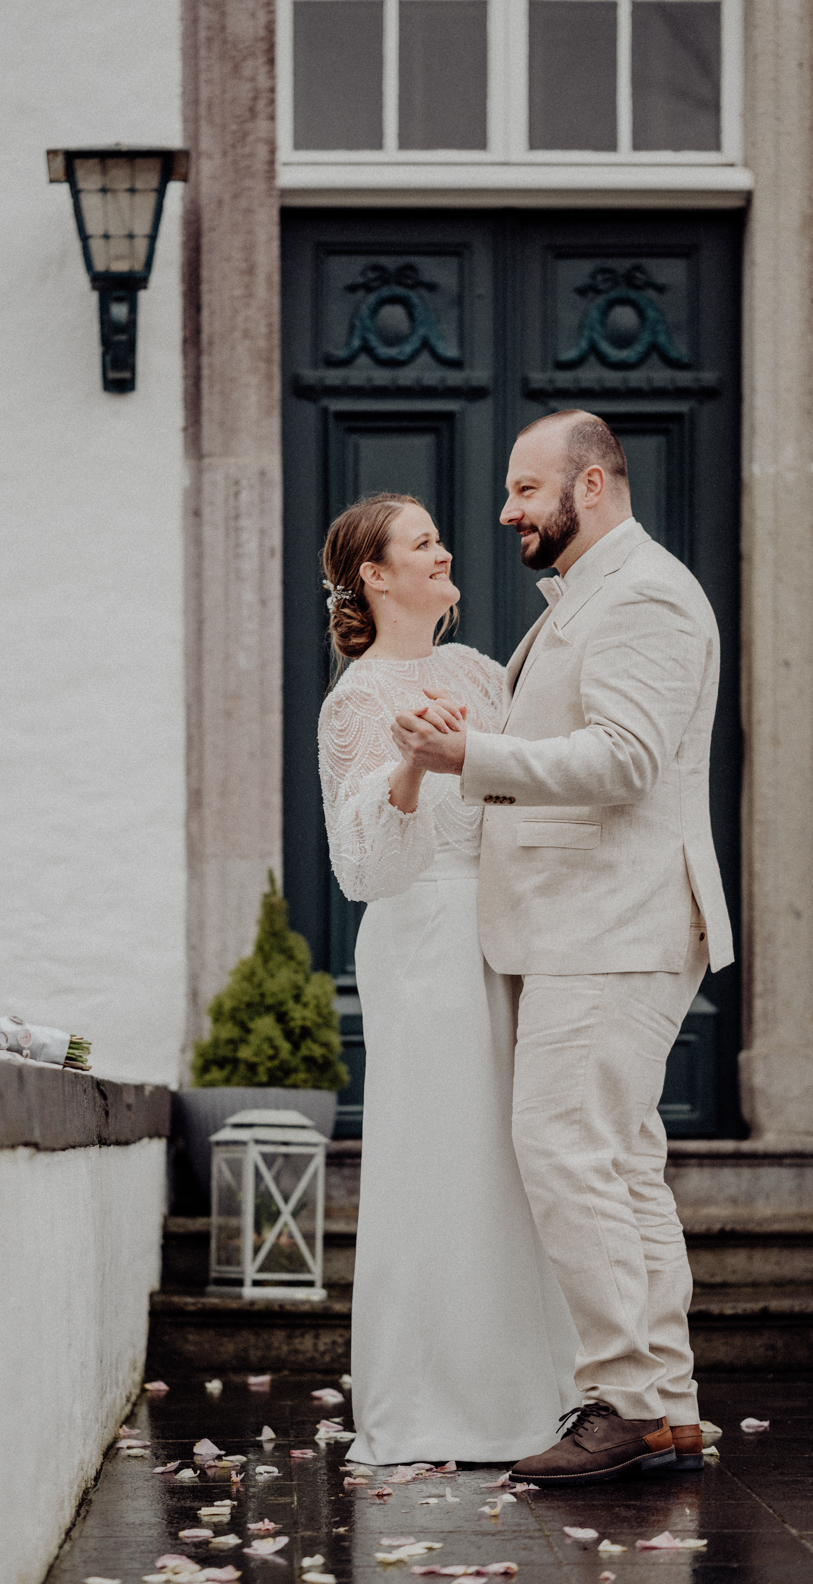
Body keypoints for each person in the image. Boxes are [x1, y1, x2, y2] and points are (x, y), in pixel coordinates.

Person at [390, 411, 733, 1486]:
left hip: (611, 923)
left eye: (526, 489)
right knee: (620, 1161)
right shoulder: (596, 593)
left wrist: (471, 755)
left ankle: (623, 1400)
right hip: (592, 922)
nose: (506, 511)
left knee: (563, 1147)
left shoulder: (645, 595)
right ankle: (664, 1407)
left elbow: (626, 759)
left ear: (591, 485)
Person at [317, 491, 580, 1466]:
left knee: (517, 1159)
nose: (443, 552)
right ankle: (437, 1402)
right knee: (442, 1159)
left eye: (437, 538)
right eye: (421, 542)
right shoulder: (354, 703)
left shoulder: (475, 669)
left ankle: (540, 1392)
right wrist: (411, 767)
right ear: (375, 575)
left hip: (509, 930)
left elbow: (537, 784)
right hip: (423, 940)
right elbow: (363, 870)